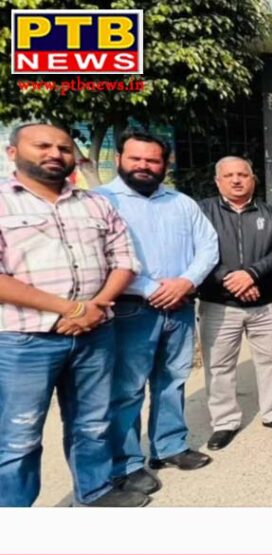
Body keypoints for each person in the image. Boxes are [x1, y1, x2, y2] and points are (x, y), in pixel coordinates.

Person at [0, 123, 147, 507]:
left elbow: (125, 261)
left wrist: (94, 308)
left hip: (94, 333)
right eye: (43, 146)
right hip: (25, 341)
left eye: (64, 148)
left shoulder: (95, 204)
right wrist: (72, 309)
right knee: (19, 436)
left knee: (93, 422)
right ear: (13, 152)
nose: (55, 154)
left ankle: (95, 492)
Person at [96, 130, 219, 495]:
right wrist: (151, 288)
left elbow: (208, 246)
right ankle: (126, 462)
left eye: (153, 160)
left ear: (165, 164)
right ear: (119, 158)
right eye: (136, 158)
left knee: (173, 379)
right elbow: (102, 256)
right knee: (127, 389)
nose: (144, 166)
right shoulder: (101, 200)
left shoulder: (182, 202)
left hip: (180, 305)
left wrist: (186, 281)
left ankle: (169, 446)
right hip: (131, 308)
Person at [197, 157, 272, 451]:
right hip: (219, 304)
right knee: (219, 365)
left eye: (242, 175)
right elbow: (197, 251)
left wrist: (252, 275)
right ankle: (225, 421)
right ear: (217, 181)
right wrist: (230, 279)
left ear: (253, 179)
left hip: (264, 301)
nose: (236, 180)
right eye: (229, 176)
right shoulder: (202, 211)